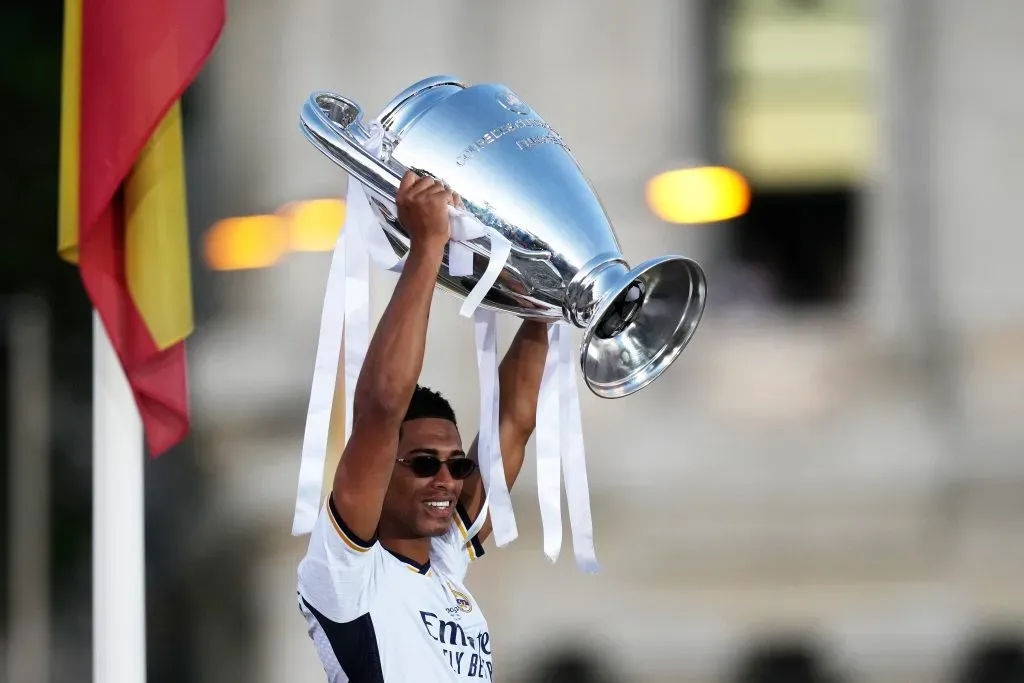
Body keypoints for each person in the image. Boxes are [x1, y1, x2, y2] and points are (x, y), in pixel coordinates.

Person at [297, 170, 550, 682]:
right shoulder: (345, 575)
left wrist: (545, 306)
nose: (447, 479)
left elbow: (515, 423)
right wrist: (427, 246)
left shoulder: (444, 561)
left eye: (456, 464)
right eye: (422, 463)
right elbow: (382, 404)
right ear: (377, 468)